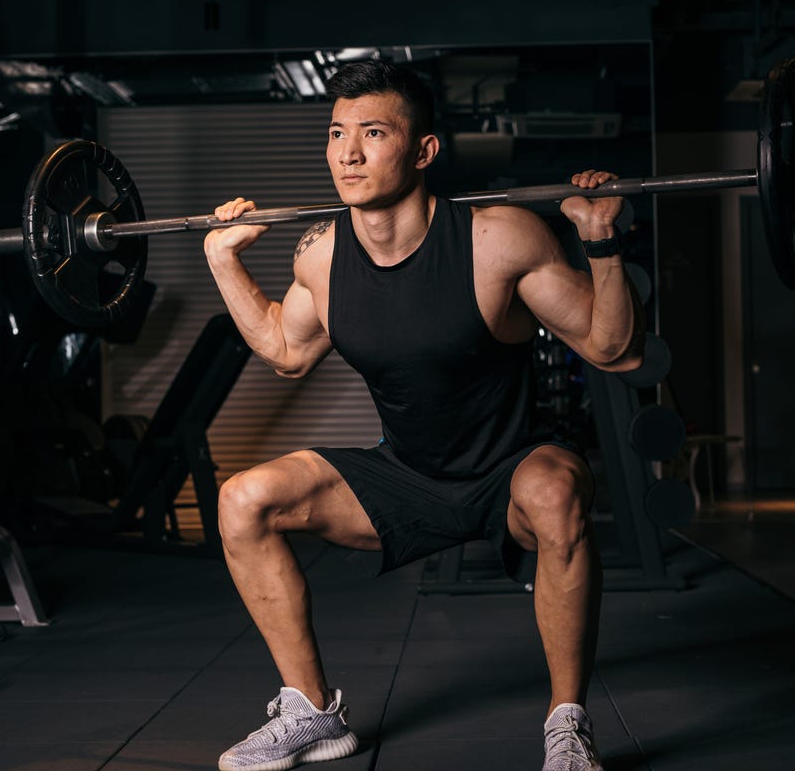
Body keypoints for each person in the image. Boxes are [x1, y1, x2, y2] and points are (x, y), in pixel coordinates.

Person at [202, 58, 644, 771]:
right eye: (337, 133)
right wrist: (225, 265)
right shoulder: (322, 256)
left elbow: (613, 349)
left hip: (510, 472)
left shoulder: (498, 238)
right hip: (404, 476)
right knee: (242, 500)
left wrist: (600, 242)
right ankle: (312, 712)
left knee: (558, 491)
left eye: (373, 133)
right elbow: (286, 349)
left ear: (423, 151)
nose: (347, 153)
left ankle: (568, 725)